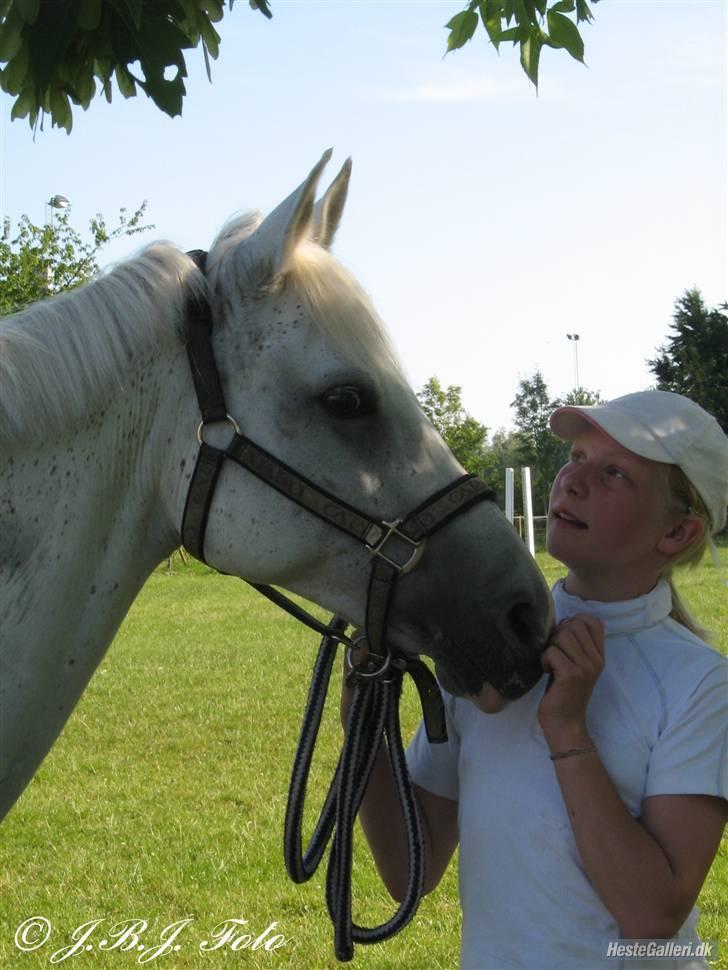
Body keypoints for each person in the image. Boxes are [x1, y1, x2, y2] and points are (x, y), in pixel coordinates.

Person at [341, 389, 728, 970]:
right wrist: (363, 717)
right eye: (575, 457)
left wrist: (568, 730)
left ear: (677, 535)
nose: (572, 481)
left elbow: (652, 916)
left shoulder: (700, 684)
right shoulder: (488, 642)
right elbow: (408, 871)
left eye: (615, 472)